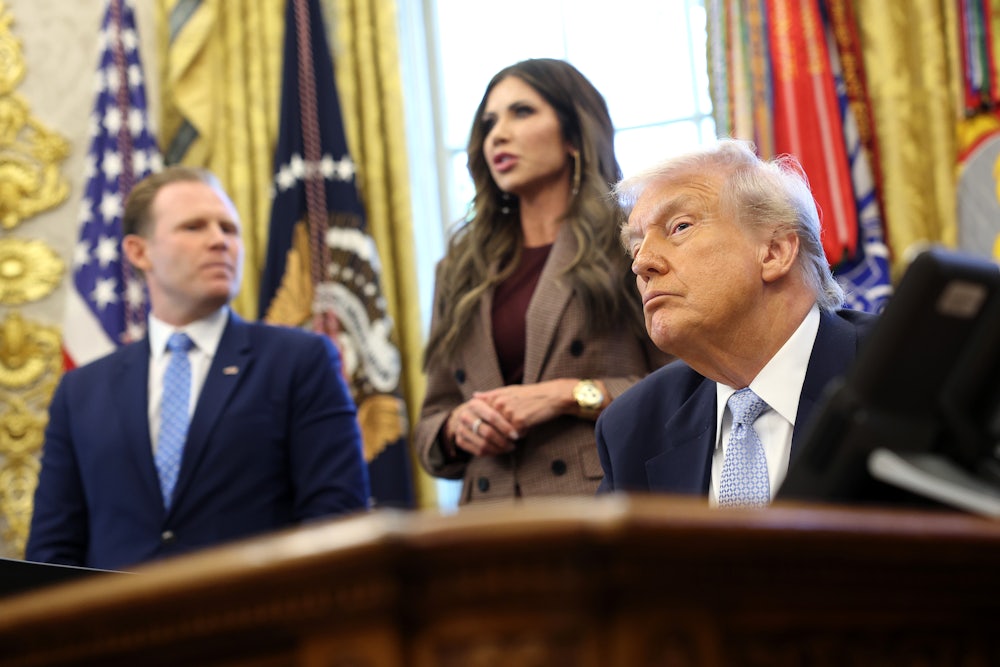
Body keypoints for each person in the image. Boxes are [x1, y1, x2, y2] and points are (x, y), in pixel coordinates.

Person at [26, 166, 370, 571]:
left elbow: (337, 518)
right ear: (139, 252)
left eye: (229, 228)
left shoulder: (300, 360)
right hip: (119, 629)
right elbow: (52, 550)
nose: (219, 242)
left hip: (256, 623)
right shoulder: (81, 391)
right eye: (194, 227)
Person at [415, 58, 670, 504]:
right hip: (485, 524)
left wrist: (570, 395)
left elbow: (688, 384)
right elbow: (431, 421)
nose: (498, 133)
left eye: (522, 112)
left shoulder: (630, 241)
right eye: (489, 122)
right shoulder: (458, 267)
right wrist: (459, 426)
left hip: (594, 508)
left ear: (573, 135)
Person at [596, 138, 878, 506]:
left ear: (775, 251)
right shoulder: (632, 427)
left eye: (679, 227)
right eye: (635, 247)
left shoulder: (904, 370)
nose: (642, 263)